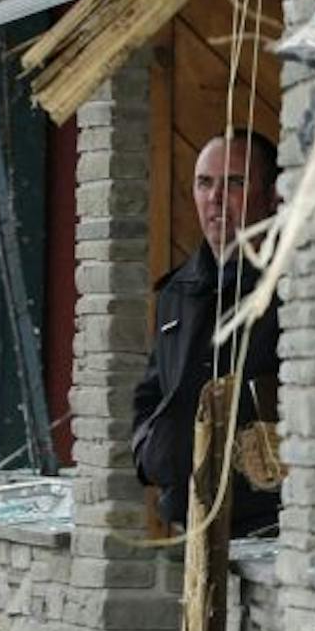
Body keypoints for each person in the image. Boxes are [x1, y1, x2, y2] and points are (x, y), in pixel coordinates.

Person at [131, 128, 283, 537]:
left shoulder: (292, 289)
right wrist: (152, 454)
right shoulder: (177, 291)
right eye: (204, 183)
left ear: (272, 197)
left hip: (266, 528)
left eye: (235, 182)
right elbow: (150, 394)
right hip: (187, 523)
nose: (216, 197)